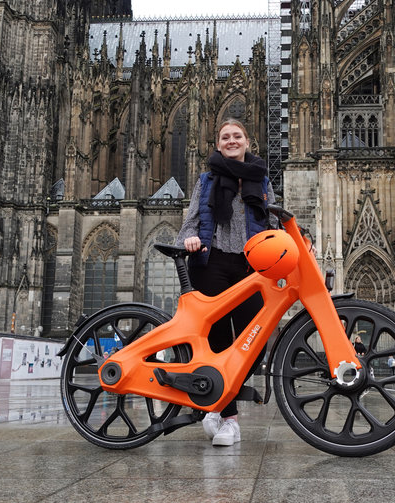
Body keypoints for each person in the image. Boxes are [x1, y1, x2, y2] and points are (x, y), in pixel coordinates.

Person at [175, 119, 276, 446]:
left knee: (255, 342)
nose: (231, 141)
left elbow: (273, 224)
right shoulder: (206, 180)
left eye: (237, 136)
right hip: (212, 263)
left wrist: (301, 242)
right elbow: (189, 223)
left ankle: (216, 403)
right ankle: (229, 420)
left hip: (251, 267)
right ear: (218, 145)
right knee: (218, 344)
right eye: (225, 137)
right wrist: (190, 239)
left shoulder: (261, 181)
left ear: (248, 142)